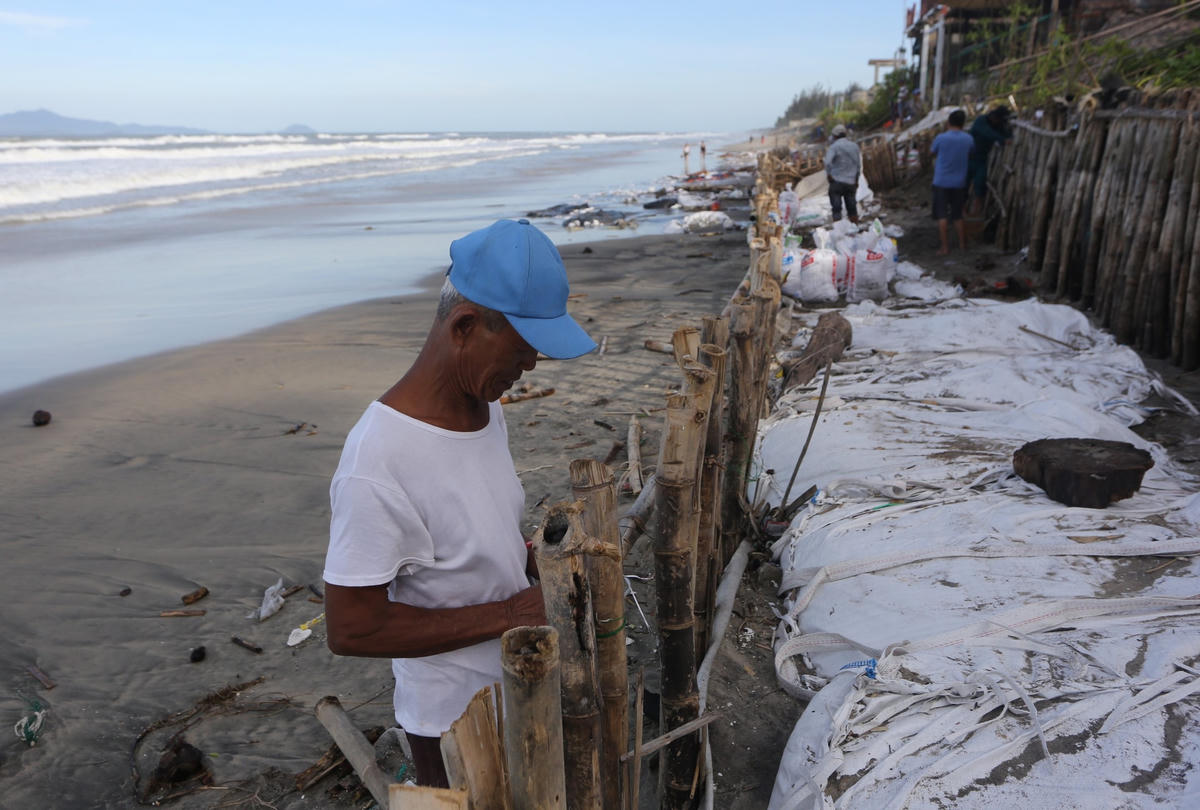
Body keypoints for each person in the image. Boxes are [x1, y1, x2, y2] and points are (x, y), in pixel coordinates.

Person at [323, 219, 596, 787]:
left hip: (521, 684)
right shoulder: (377, 462)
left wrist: (530, 560)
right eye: (522, 353)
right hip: (453, 723)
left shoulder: (484, 407)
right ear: (465, 327)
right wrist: (512, 615)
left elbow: (470, 531)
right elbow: (352, 630)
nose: (530, 369)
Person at [930, 109, 975, 255]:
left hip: (941, 181)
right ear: (963, 124)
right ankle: (963, 245)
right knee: (957, 215)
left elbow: (933, 152)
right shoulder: (968, 139)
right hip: (959, 182)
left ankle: (945, 247)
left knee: (942, 215)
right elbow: (971, 153)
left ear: (948, 122)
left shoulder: (941, 138)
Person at [968, 106, 1012, 214]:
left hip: (982, 158)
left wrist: (1008, 138)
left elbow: (1005, 133)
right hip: (968, 157)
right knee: (963, 185)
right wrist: (1003, 139)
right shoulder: (981, 121)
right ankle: (960, 212)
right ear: (994, 117)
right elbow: (987, 133)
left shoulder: (997, 124)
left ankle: (976, 213)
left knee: (980, 184)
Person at [824, 124, 861, 224]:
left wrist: (829, 175)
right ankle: (855, 229)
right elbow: (858, 165)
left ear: (835, 136)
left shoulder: (834, 147)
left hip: (837, 182)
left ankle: (838, 232)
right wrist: (856, 180)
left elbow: (827, 163)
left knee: (836, 209)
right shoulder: (854, 146)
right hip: (851, 182)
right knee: (852, 208)